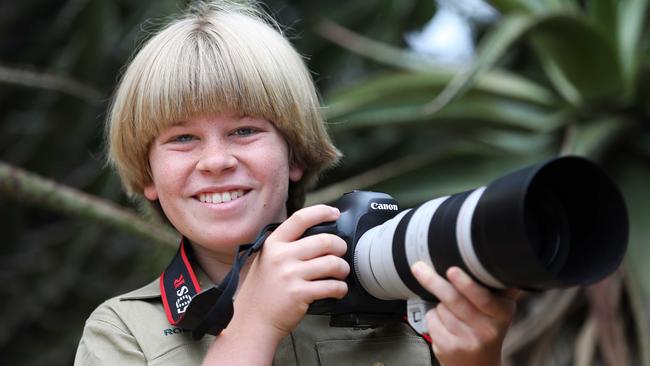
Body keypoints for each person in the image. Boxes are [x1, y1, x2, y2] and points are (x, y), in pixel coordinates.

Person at [74, 1, 518, 365]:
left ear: (296, 154)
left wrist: (477, 358)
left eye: (245, 130)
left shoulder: (397, 289)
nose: (216, 161)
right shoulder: (122, 331)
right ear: (148, 175)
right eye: (182, 138)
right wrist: (255, 324)